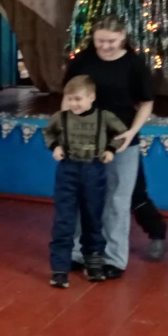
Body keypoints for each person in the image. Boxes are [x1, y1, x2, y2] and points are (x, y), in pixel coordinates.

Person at [63, 14, 167, 278]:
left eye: (111, 41)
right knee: (82, 196)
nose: (105, 46)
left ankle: (113, 259)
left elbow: (146, 102)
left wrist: (132, 132)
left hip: (120, 140)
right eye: (100, 41)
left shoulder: (133, 64)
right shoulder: (83, 61)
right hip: (85, 137)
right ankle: (78, 252)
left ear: (122, 37)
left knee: (117, 200)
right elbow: (69, 97)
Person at [42, 76, 127, 288]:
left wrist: (111, 149)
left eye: (78, 99)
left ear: (92, 97)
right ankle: (60, 269)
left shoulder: (104, 117)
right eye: (70, 99)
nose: (74, 104)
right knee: (63, 221)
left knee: (93, 218)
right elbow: (48, 132)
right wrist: (55, 147)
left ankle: (94, 264)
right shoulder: (60, 118)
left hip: (94, 171)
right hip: (68, 171)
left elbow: (122, 133)